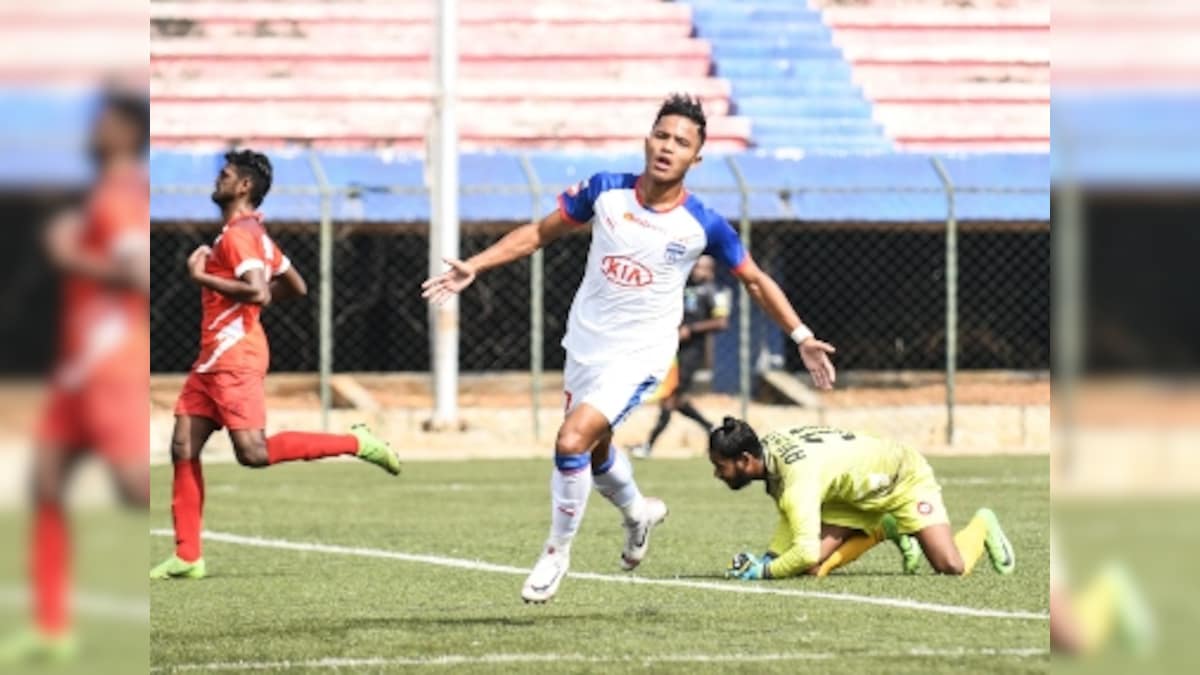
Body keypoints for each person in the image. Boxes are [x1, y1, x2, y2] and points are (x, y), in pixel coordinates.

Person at [422, 94, 836, 603]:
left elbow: (753, 279)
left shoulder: (702, 224)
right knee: (595, 450)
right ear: (647, 140)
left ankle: (556, 553)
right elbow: (536, 233)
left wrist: (800, 336)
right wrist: (476, 265)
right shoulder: (605, 192)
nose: (668, 147)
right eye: (662, 136)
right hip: (585, 343)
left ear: (695, 159)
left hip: (641, 355)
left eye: (682, 142)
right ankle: (638, 512)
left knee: (571, 441)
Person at [149, 149, 400, 581]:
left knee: (253, 453)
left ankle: (356, 443)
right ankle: (188, 556)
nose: (218, 179)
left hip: (235, 358)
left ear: (244, 186)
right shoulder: (251, 233)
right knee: (183, 447)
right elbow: (295, 286)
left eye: (225, 175)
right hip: (212, 358)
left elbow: (260, 292)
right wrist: (238, 304)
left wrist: (202, 279)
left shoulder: (238, 237)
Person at [0, 89, 151, 664]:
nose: (94, 127)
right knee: (45, 484)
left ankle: (191, 525)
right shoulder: (102, 194)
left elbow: (136, 275)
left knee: (135, 488)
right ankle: (52, 626)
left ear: (127, 132)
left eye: (105, 121)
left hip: (111, 366)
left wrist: (69, 255)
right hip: (77, 369)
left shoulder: (121, 194)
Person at [709, 417, 1015, 580]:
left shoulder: (797, 477)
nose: (717, 475)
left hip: (901, 477)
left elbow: (803, 550)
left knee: (951, 567)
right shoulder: (770, 453)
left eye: (721, 467)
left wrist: (764, 571)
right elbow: (791, 516)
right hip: (849, 496)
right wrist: (771, 558)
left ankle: (983, 524)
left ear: (746, 459)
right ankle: (883, 528)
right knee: (812, 569)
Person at [630, 254, 730, 459]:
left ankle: (648, 445)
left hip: (692, 352)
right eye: (696, 266)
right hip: (673, 350)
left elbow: (721, 322)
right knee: (676, 399)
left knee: (669, 398)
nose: (697, 270)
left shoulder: (715, 292)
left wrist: (691, 329)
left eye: (703, 268)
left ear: (711, 271)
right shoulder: (684, 287)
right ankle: (711, 428)